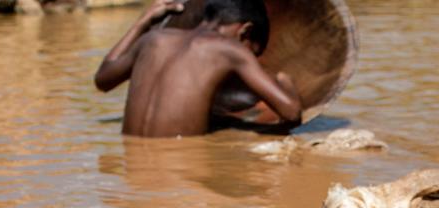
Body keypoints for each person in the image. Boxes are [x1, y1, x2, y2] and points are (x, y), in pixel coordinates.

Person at [94, 0, 303, 137]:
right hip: (178, 172)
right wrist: (285, 80)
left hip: (131, 174)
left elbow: (102, 79)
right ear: (245, 31)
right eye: (253, 52)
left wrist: (143, 21)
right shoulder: (229, 49)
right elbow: (292, 113)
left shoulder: (153, 39)